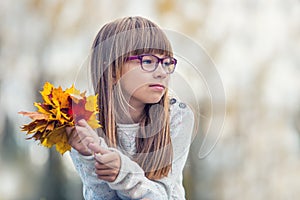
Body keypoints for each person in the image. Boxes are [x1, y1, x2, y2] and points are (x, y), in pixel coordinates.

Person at [66, 16, 195, 200]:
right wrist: (88, 157)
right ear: (111, 69)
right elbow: (101, 196)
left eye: (166, 63)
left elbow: (160, 196)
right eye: (148, 61)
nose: (161, 73)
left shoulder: (177, 116)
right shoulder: (85, 122)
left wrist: (122, 173)